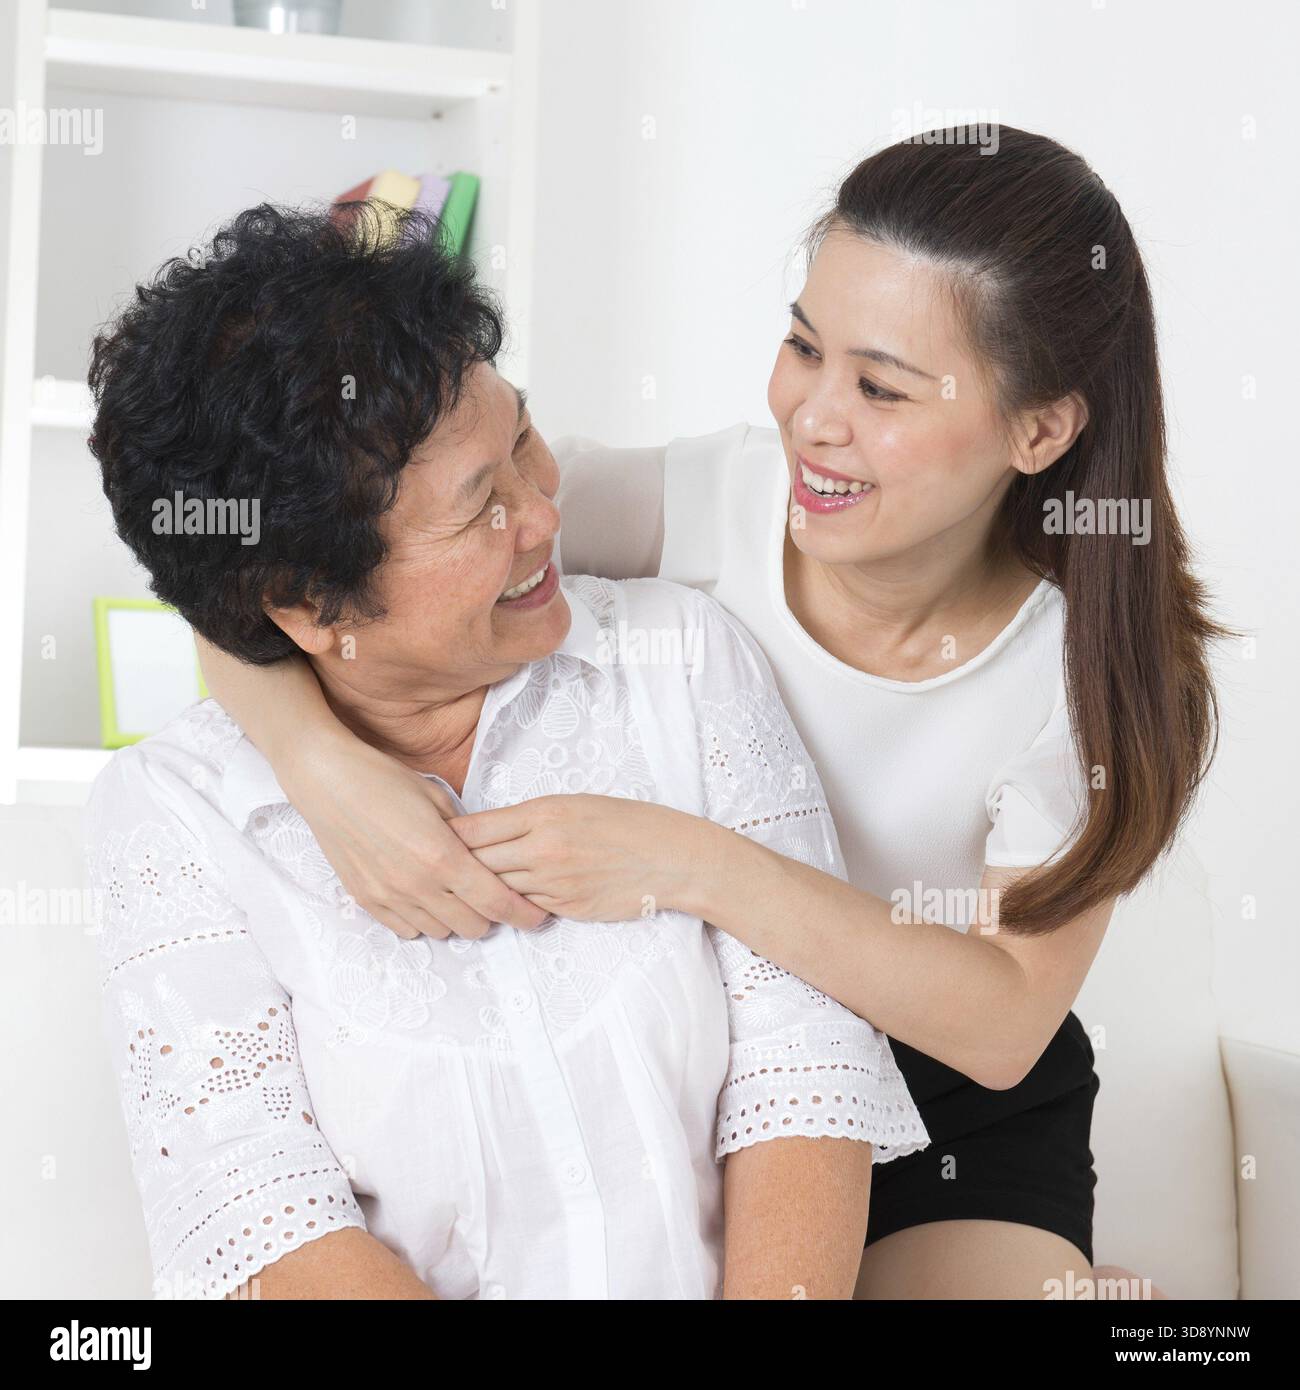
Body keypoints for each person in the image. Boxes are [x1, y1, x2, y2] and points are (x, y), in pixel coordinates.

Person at [197, 127, 1223, 1298]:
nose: (813, 417)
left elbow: (999, 1027)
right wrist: (319, 764)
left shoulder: (1094, 669)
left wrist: (690, 862)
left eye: (880, 386)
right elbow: (284, 565)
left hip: (951, 1106)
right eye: (801, 346)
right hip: (700, 1069)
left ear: (1038, 429)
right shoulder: (712, 498)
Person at [83, 201, 927, 1301]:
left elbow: (804, 1059)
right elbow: (261, 1217)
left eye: (522, 438)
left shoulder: (678, 661)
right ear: (304, 603)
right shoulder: (177, 817)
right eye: (480, 510)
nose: (541, 515)